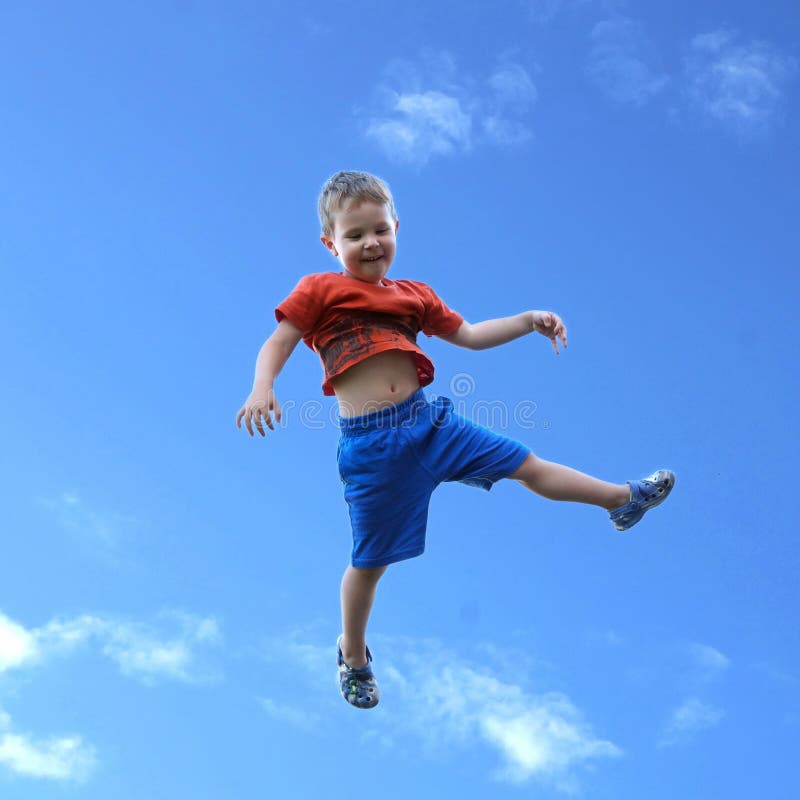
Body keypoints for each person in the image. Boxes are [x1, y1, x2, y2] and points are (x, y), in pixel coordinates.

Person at [236, 170, 675, 710]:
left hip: (431, 424)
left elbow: (468, 335)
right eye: (354, 236)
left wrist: (527, 320)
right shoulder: (319, 289)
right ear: (331, 243)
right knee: (370, 563)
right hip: (374, 449)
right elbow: (278, 341)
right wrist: (263, 388)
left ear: (396, 225)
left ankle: (624, 499)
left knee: (527, 464)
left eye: (380, 229)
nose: (371, 243)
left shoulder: (414, 295)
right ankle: (352, 655)